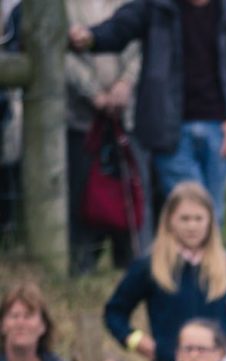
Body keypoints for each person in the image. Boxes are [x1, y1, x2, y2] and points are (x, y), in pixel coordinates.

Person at [68, 0, 226, 222]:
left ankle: (202, 257)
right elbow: (118, 29)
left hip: (219, 134)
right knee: (193, 214)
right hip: (171, 132)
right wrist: (91, 38)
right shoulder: (157, 8)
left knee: (211, 217)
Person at [104, 181, 226, 361]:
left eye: (198, 218)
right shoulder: (150, 265)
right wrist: (137, 341)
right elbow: (115, 312)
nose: (192, 226)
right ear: (170, 220)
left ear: (210, 221)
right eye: (185, 219)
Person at [64, 0, 147, 275]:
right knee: (84, 192)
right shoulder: (64, 5)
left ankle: (132, 266)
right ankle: (82, 266)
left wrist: (125, 84)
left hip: (129, 116)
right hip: (82, 118)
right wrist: (93, 93)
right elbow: (57, 49)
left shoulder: (132, 3)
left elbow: (140, 44)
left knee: (129, 187)